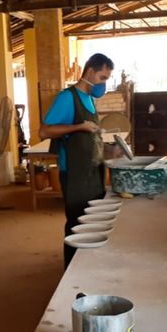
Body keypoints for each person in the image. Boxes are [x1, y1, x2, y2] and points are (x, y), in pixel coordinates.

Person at [39, 53, 114, 268]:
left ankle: (87, 268)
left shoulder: (89, 98)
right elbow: (44, 131)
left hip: (92, 172)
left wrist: (109, 152)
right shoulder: (67, 97)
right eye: (102, 77)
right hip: (75, 174)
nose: (103, 84)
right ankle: (71, 271)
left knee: (92, 222)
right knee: (77, 224)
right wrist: (78, 127)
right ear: (90, 71)